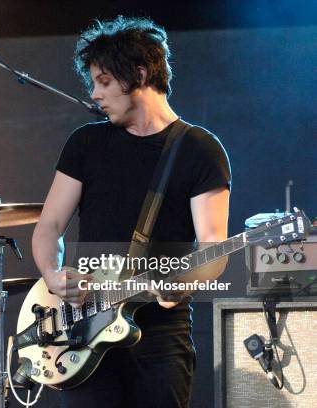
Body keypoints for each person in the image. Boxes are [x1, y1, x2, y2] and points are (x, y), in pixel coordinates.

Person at [31, 16, 231, 407]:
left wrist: (181, 284)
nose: (95, 94)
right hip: (85, 333)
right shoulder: (86, 143)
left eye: (103, 81)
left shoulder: (199, 149)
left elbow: (213, 247)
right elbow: (48, 226)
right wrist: (54, 277)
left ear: (138, 75)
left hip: (159, 336)